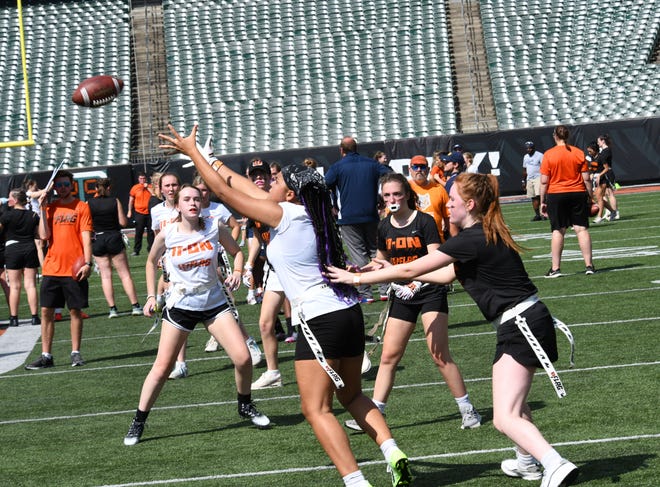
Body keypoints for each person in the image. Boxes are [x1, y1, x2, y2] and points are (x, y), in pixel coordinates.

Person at [160, 124, 413, 487]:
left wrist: (192, 153)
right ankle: (392, 451)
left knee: (316, 408)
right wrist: (208, 156)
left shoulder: (284, 215)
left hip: (319, 319)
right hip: (347, 313)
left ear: (290, 193)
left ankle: (356, 482)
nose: (269, 183)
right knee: (353, 395)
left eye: (277, 181)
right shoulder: (311, 210)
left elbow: (220, 190)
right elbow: (237, 184)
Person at [327, 172, 579, 487]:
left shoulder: (470, 237)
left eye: (455, 200)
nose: (449, 205)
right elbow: (446, 275)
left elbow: (411, 268)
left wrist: (357, 280)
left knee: (504, 417)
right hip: (524, 321)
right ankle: (527, 463)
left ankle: (555, 464)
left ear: (470, 204)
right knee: (516, 403)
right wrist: (385, 269)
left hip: (521, 324)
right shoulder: (483, 232)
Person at [123, 184, 270, 446]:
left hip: (213, 301)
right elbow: (149, 262)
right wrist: (149, 296)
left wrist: (237, 272)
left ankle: (245, 404)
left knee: (243, 357)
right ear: (177, 205)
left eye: (197, 199)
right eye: (186, 199)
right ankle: (139, 421)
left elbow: (236, 252)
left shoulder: (214, 227)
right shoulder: (168, 233)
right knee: (162, 367)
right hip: (181, 304)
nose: (193, 203)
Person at [343, 173, 481, 433]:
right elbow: (381, 260)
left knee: (439, 355)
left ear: (406, 194)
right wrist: (359, 270)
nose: (392, 199)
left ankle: (467, 410)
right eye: (387, 195)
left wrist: (415, 282)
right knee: (389, 356)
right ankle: (376, 413)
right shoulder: (384, 225)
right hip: (401, 292)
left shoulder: (425, 221)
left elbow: (435, 260)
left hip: (429, 290)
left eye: (396, 194)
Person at [25, 170, 93, 369]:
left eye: (66, 184)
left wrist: (88, 263)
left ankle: (75, 352)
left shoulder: (81, 207)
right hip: (52, 268)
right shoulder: (51, 207)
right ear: (54, 187)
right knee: (46, 311)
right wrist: (44, 208)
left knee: (75, 311)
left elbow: (87, 237)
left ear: (71, 185)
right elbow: (44, 236)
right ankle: (46, 355)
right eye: (59, 185)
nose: (62, 188)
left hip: (74, 268)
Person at [325, 136, 391, 303]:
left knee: (358, 255)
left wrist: (333, 203)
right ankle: (385, 289)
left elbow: (325, 184)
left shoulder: (337, 167)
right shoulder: (371, 164)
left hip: (348, 218)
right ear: (356, 148)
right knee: (376, 252)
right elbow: (389, 174)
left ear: (341, 150)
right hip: (371, 215)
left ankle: (366, 294)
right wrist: (381, 195)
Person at [539, 125, 595, 277]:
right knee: (581, 229)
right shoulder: (577, 152)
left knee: (558, 230)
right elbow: (587, 178)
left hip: (556, 194)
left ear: (555, 136)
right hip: (577, 192)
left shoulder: (549, 154)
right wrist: (590, 196)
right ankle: (589, 265)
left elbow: (544, 181)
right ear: (568, 136)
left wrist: (542, 201)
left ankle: (555, 268)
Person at [87, 178, 141, 318]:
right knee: (125, 274)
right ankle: (135, 306)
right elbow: (123, 222)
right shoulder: (114, 201)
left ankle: (112, 309)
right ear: (109, 188)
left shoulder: (89, 203)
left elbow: (87, 224)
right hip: (114, 237)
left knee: (105, 276)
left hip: (98, 239)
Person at [0, 189, 40, 327]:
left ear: (16, 200)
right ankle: (35, 316)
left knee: (15, 286)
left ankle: (14, 318)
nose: (8, 199)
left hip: (13, 250)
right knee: (30, 285)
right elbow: (38, 234)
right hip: (29, 248)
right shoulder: (33, 215)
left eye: (10, 197)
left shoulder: (7, 215)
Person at [407, 155, 451, 241]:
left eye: (422, 167)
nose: (419, 170)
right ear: (410, 170)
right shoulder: (404, 188)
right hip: (412, 242)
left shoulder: (439, 189)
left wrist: (453, 240)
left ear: (428, 170)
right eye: (415, 167)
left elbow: (448, 217)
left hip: (437, 240)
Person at [593, 134, 620, 223]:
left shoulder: (606, 150)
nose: (598, 143)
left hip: (607, 173)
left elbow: (605, 164)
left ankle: (615, 212)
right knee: (602, 195)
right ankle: (609, 212)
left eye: (599, 141)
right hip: (603, 173)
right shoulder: (603, 151)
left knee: (609, 193)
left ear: (603, 141)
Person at [127, 172, 155, 256]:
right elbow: (131, 200)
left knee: (151, 232)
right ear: (138, 179)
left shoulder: (150, 187)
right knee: (139, 232)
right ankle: (136, 250)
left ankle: (151, 249)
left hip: (149, 212)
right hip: (139, 213)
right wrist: (129, 211)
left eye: (143, 178)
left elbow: (154, 194)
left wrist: (147, 187)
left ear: (146, 179)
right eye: (140, 178)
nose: (142, 180)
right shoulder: (135, 188)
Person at [522, 141, 545, 221]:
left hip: (538, 177)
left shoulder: (540, 155)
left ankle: (544, 213)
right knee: (533, 197)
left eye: (530, 148)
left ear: (533, 148)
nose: (529, 149)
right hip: (529, 179)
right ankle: (537, 215)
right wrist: (523, 181)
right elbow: (524, 170)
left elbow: (544, 167)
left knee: (540, 196)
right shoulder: (525, 157)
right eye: (527, 148)